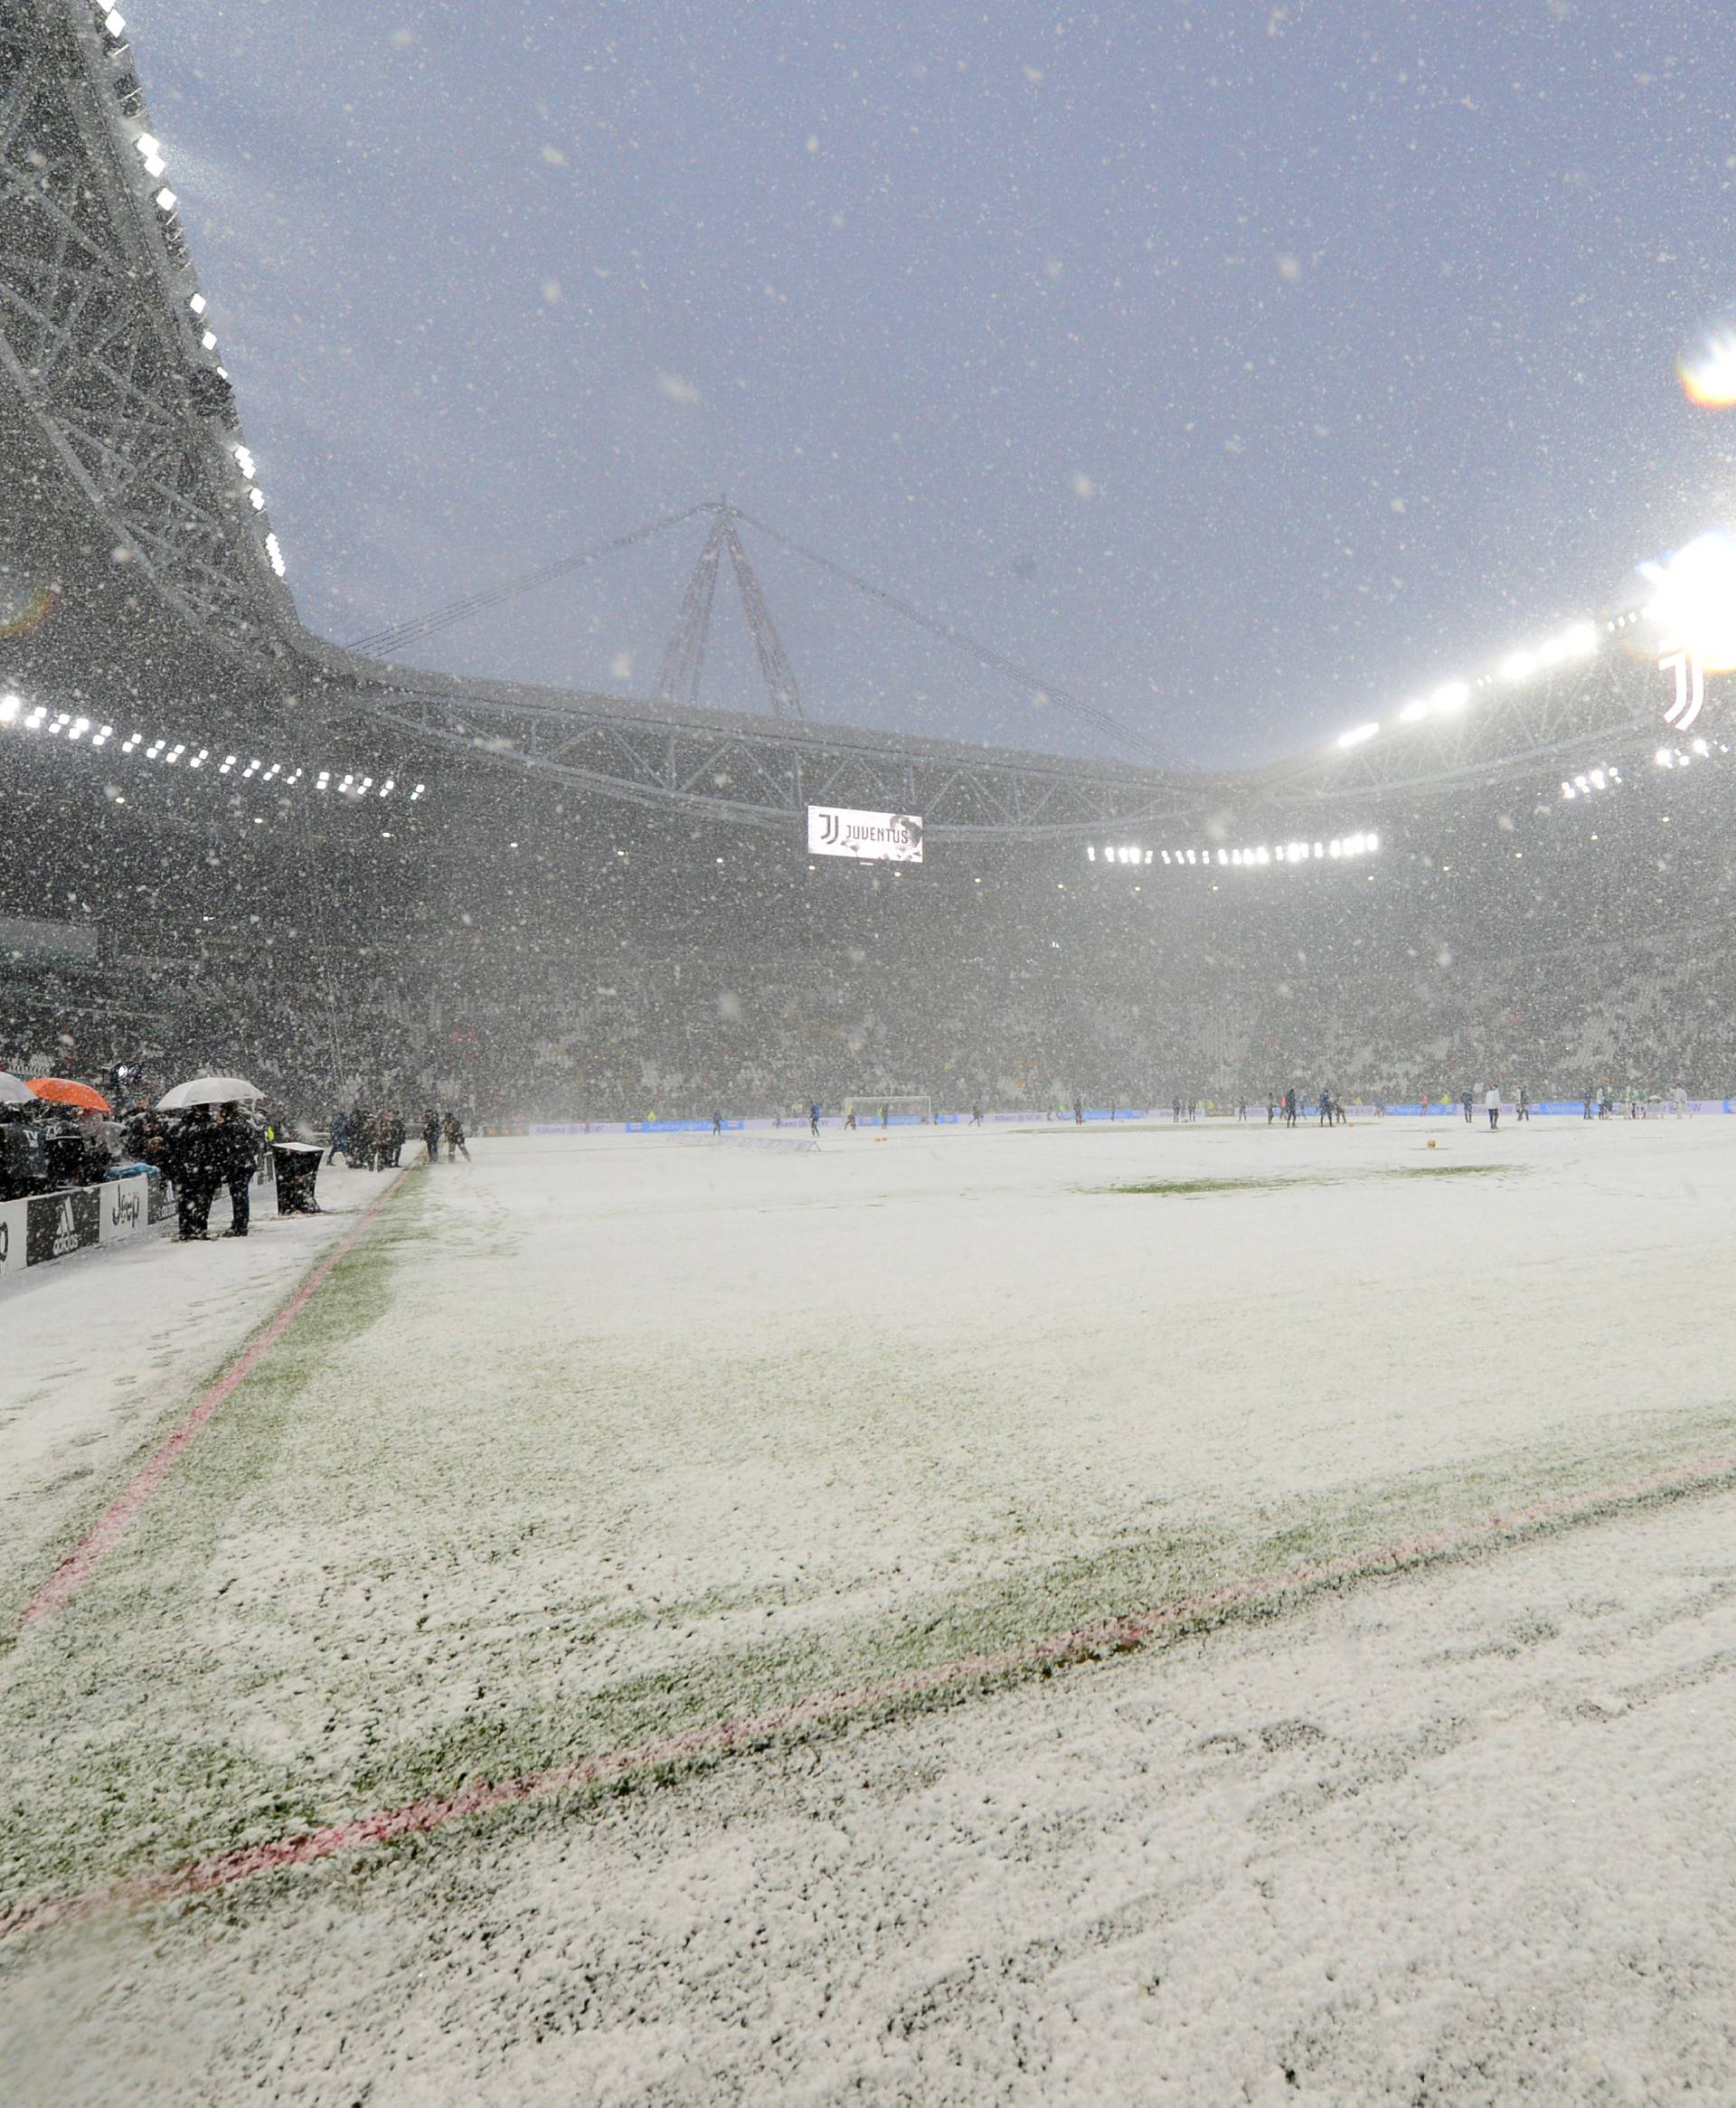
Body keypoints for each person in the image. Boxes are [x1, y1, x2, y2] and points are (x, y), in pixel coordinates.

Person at [170, 1107, 223, 1242]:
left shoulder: (178, 1128)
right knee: (204, 1201)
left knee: (185, 1200)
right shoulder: (212, 1128)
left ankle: (185, 1229)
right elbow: (219, 1150)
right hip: (206, 1171)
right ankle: (200, 1228)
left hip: (184, 1171)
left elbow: (171, 1150)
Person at [216, 1101, 259, 1237]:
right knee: (241, 1194)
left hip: (236, 1165)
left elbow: (222, 1148)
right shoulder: (246, 1125)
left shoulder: (227, 1128)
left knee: (238, 1195)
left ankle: (239, 1224)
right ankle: (240, 1222)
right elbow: (255, 1145)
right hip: (246, 1164)